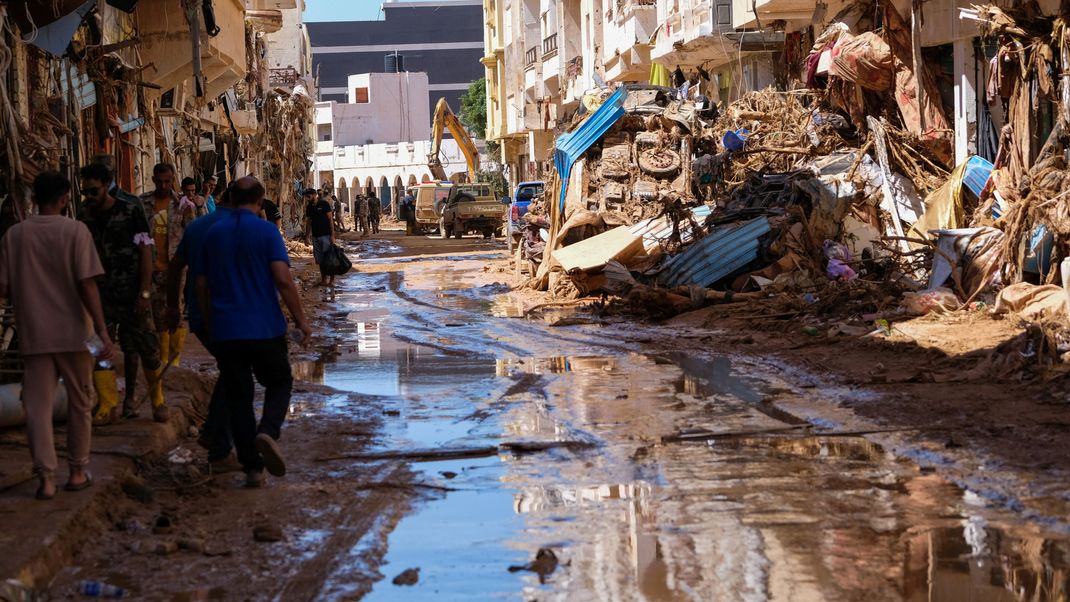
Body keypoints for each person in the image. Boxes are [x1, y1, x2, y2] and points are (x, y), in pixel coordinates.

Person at [0, 172, 114, 500]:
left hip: (34, 334)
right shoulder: (76, 231)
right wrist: (103, 331)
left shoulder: (14, 236)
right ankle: (77, 471)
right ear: (65, 198)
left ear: (35, 197)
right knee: (80, 403)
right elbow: (87, 284)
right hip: (76, 335)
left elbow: (4, 289)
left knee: (36, 407)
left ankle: (46, 479)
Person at [195, 176, 312, 488]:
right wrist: (301, 320)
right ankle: (268, 431)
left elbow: (201, 285)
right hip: (264, 327)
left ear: (231, 198)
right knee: (280, 381)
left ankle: (252, 468)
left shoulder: (213, 232)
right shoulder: (266, 232)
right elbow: (283, 280)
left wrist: (210, 321)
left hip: (226, 330)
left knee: (239, 397)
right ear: (260, 201)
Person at [79, 162, 165, 422]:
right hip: (100, 295)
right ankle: (108, 403)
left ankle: (157, 400)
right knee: (100, 350)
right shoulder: (85, 214)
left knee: (145, 347)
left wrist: (145, 292)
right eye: (86, 192)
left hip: (133, 293)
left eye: (94, 191)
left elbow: (145, 251)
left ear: (106, 186)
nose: (89, 197)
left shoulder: (130, 210)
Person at [141, 164, 197, 391]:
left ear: (173, 179)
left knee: (174, 308)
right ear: (154, 179)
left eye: (167, 181)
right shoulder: (143, 203)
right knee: (155, 315)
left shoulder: (184, 206)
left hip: (175, 268)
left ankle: (174, 360)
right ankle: (161, 359)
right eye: (159, 182)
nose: (163, 186)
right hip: (150, 268)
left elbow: (192, 236)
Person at [304, 188, 335, 286]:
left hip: (326, 235)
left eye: (308, 196)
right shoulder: (309, 207)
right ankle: (323, 280)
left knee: (329, 258)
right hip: (315, 236)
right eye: (306, 196)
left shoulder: (324, 204)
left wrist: (332, 235)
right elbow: (309, 222)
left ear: (314, 195)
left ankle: (332, 280)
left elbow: (330, 220)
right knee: (320, 260)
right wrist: (307, 236)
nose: (307, 198)